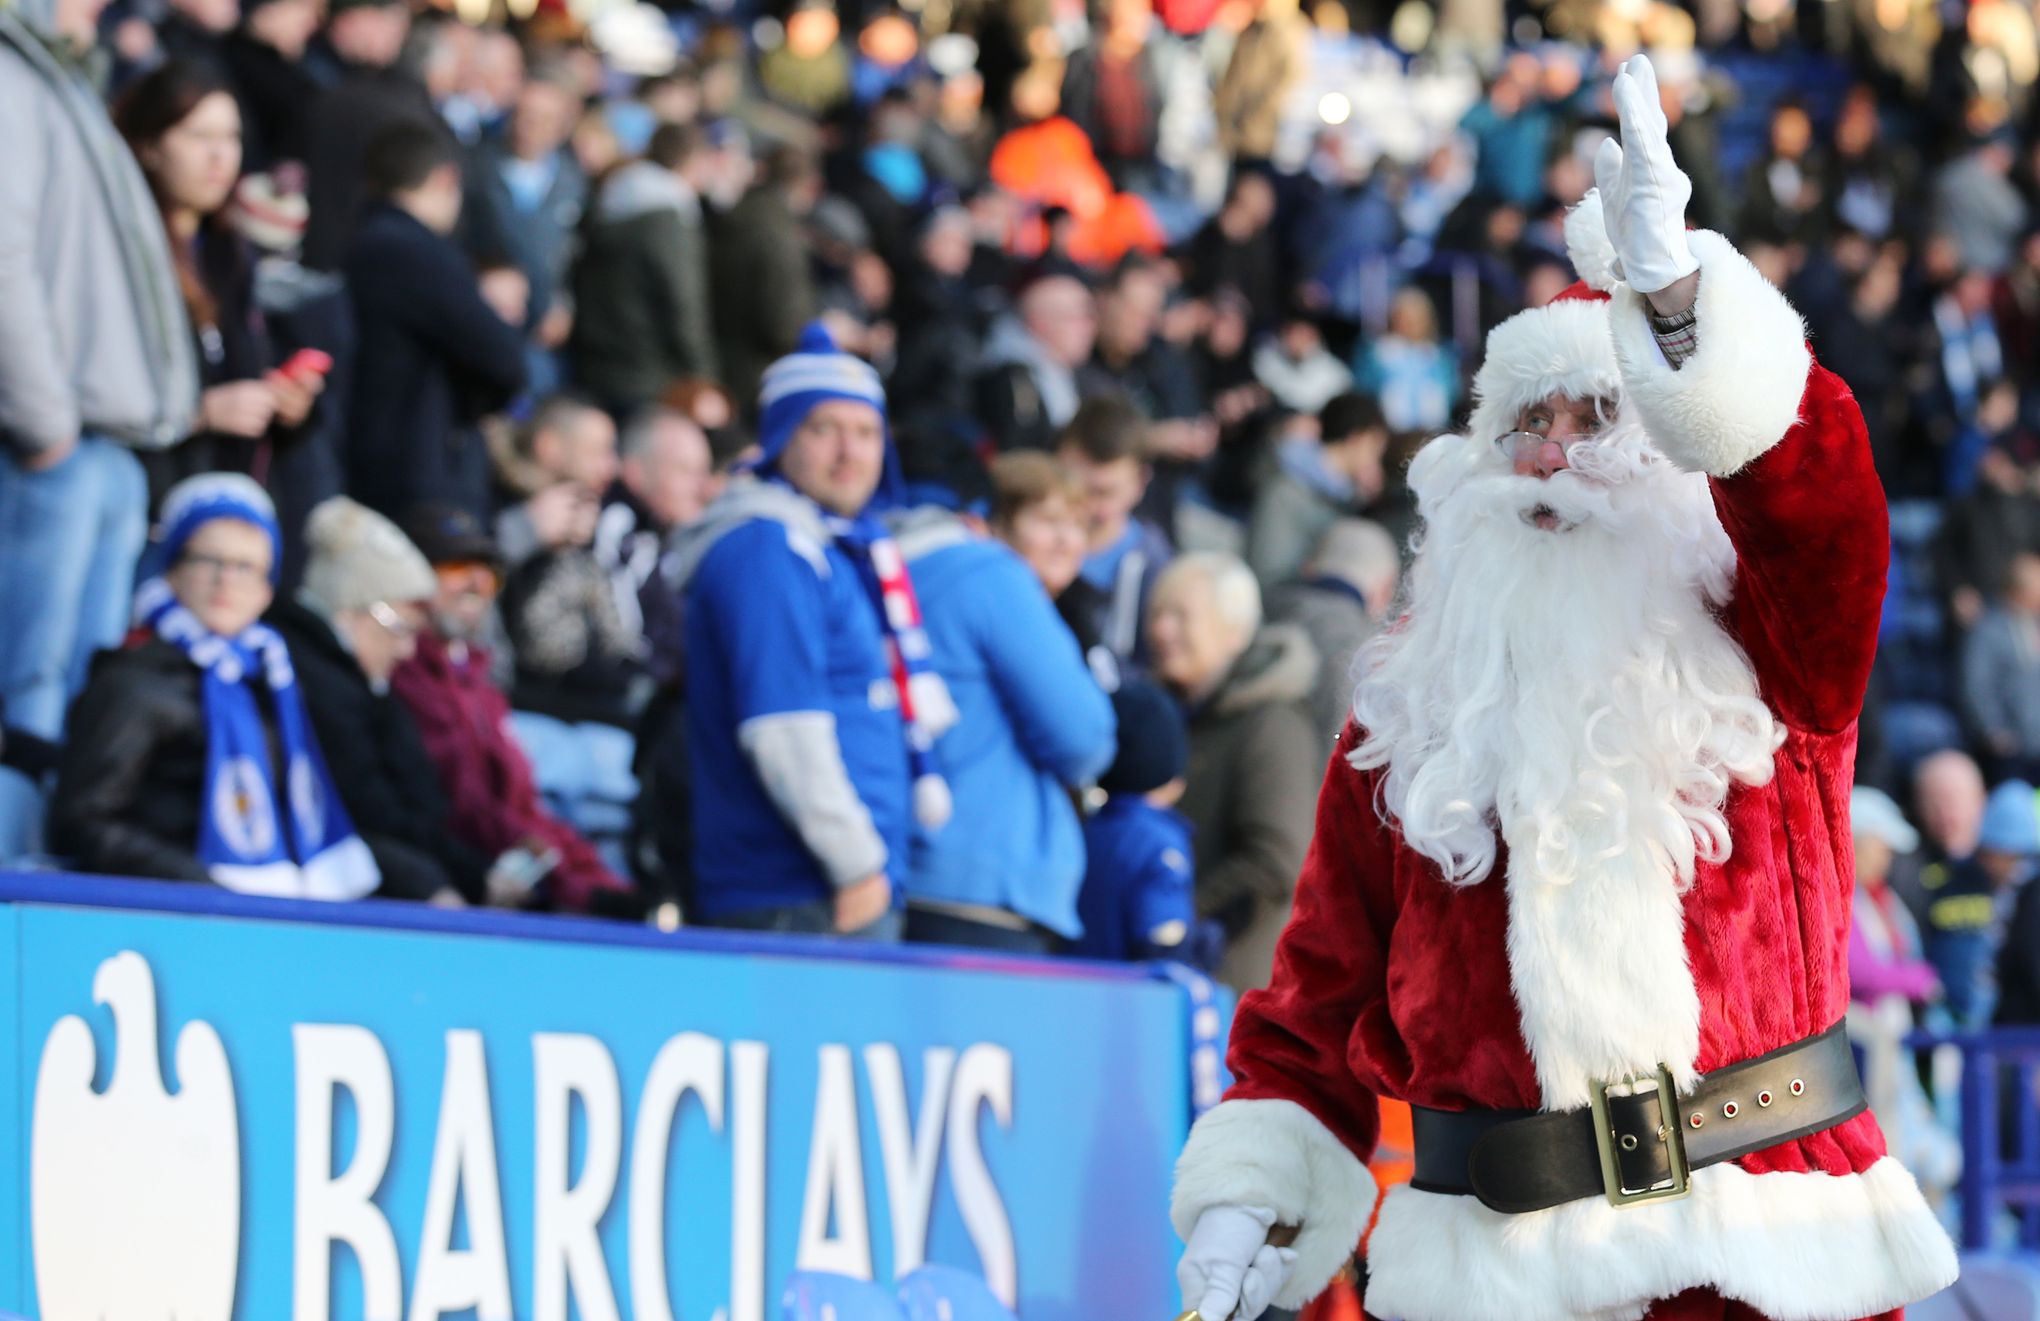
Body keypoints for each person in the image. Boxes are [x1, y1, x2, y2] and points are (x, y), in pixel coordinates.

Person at [1171, 58, 1956, 1321]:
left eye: (1600, 416)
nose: (1553, 452)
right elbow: (1308, 1003)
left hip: (1758, 1261)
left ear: (1676, 452)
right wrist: (1243, 1200)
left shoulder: (1775, 642)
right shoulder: (1414, 717)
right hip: (1493, 1277)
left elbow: (1827, 507)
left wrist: (1685, 308)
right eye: (1525, 422)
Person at [665, 324, 956, 937]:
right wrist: (857, 866)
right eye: (825, 429)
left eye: (866, 433)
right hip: (797, 892)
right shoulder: (767, 548)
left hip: (834, 885)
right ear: (779, 438)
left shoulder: (839, 548)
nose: (850, 453)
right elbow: (783, 729)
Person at [0, 0, 200, 862]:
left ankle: (42, 894)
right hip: (57, 444)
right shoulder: (15, 76)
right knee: (29, 694)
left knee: (74, 700)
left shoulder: (62, 79)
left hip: (101, 445)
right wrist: (45, 423)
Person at [48, 475, 379, 897]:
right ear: (172, 572)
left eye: (246, 567)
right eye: (209, 560)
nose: (227, 581)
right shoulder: (131, 682)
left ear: (266, 591)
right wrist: (211, 890)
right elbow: (82, 823)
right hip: (171, 921)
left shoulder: (274, 683)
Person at [893, 499, 1116, 954]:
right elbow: (1085, 740)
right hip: (984, 889)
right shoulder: (990, 573)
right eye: (1046, 520)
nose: (1064, 542)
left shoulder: (889, 569)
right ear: (990, 525)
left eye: (1076, 525)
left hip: (905, 875)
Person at [390, 505, 633, 913]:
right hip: (453, 893)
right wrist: (567, 882)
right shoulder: (401, 678)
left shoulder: (480, 684)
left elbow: (520, 810)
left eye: (488, 572)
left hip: (513, 879)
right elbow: (460, 813)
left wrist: (588, 878)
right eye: (454, 566)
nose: (475, 583)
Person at [114, 61, 325, 509]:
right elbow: (102, 398)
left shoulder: (230, 254)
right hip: (143, 508)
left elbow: (236, 373)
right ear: (149, 146)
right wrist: (201, 413)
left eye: (230, 137)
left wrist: (284, 406)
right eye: (199, 136)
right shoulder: (119, 249)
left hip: (224, 507)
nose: (220, 156)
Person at [268, 496, 497, 906]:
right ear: (351, 611)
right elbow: (369, 811)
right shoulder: (317, 685)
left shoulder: (366, 686)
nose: (408, 650)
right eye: (401, 628)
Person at [1148, 552, 1318, 992]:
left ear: (1235, 632)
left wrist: (1176, 920)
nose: (1162, 630)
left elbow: (1275, 862)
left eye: (1181, 616)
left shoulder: (1272, 725)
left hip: (1230, 986)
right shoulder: (1170, 717)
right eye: (1157, 613)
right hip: (1170, 980)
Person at [344, 120, 527, 521]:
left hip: (367, 459)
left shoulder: (358, 241)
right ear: (446, 179)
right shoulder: (417, 252)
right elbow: (503, 358)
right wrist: (473, 404)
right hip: (417, 476)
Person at [569, 121, 721, 417]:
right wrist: (703, 377)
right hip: (647, 372)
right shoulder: (670, 221)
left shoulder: (610, 195)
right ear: (692, 160)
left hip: (594, 358)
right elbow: (683, 304)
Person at [462, 61, 587, 391]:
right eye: (523, 115)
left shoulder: (573, 180)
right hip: (487, 316)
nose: (529, 127)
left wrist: (563, 302)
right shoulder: (476, 167)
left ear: (562, 127)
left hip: (543, 327)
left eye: (543, 120)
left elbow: (576, 249)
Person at [1072, 678, 1201, 964]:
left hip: (1076, 988)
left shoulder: (1086, 831)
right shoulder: (1160, 842)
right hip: (1134, 1000)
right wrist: (1196, 947)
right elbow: (1160, 939)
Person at [1058, 396, 1174, 670]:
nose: (1090, 505)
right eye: (1078, 486)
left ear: (1140, 481)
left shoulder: (1153, 565)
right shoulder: (1023, 540)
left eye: (1106, 493)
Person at [709, 142, 823, 408]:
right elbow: (785, 325)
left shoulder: (738, 211)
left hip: (720, 355)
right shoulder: (779, 234)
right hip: (753, 376)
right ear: (809, 186)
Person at [1265, 518, 1401, 738]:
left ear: (1308, 567)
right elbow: (1337, 753)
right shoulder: (1358, 654)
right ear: (1383, 590)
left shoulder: (1257, 611)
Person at [1245, 393, 1392, 591]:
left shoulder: (1346, 496)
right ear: (1357, 439)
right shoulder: (1285, 492)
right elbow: (1268, 575)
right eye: (1374, 449)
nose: (1375, 463)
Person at [1927, 778, 2040, 1029]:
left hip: (2018, 1030)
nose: (1989, 863)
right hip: (1970, 1021)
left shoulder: (2028, 894)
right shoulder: (1953, 881)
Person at [977, 270, 1097, 453]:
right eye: (1079, 318)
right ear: (1040, 322)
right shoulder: (1014, 378)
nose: (1089, 328)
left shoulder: (1062, 371)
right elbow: (1020, 454)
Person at [1959, 548, 2040, 782]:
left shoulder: (2035, 625)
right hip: (2011, 750)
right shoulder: (1988, 630)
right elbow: (1976, 683)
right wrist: (1993, 731)